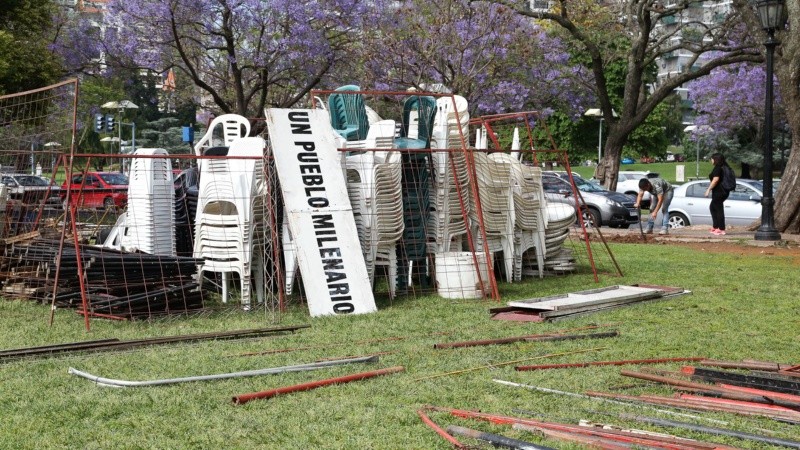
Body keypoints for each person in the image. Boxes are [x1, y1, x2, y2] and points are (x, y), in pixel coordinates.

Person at [705, 153, 730, 236]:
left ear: (715, 159)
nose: (711, 160)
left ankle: (721, 229)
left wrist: (708, 189)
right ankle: (716, 227)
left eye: (712, 159)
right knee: (712, 207)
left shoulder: (718, 168)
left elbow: (715, 180)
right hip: (721, 192)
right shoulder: (722, 167)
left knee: (718, 209)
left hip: (720, 192)